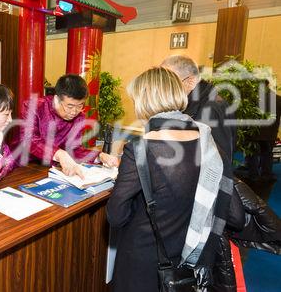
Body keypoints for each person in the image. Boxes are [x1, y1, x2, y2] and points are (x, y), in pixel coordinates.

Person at [106, 67, 244, 292]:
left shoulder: (141, 149)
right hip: (188, 255)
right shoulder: (209, 142)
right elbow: (228, 208)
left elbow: (116, 215)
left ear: (144, 101)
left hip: (143, 258)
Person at [15, 74, 119, 178]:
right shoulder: (34, 106)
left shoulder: (79, 116)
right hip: (23, 165)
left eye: (80, 105)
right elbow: (29, 140)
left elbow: (74, 149)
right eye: (70, 106)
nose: (74, 112)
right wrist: (60, 154)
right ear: (56, 99)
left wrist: (99, 156)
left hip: (51, 169)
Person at [161, 55, 235, 177]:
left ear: (190, 81)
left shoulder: (210, 108)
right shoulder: (195, 102)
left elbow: (218, 160)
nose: (164, 88)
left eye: (169, 82)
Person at [244, 80, 281, 182]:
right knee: (267, 154)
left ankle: (253, 175)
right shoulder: (278, 99)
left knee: (252, 154)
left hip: (254, 133)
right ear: (268, 85)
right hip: (270, 134)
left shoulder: (251, 99)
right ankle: (266, 174)